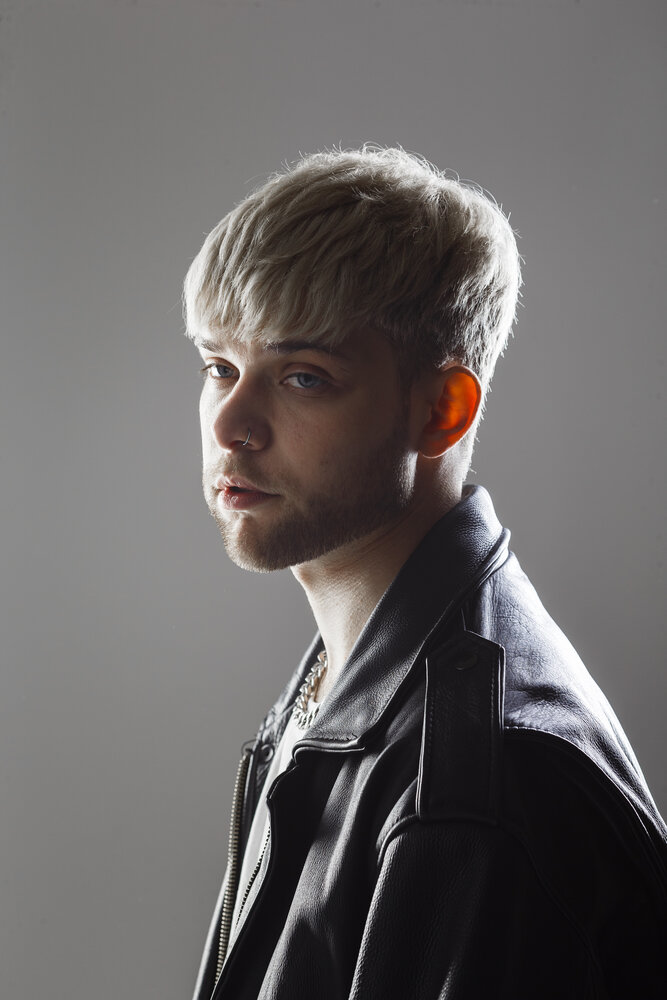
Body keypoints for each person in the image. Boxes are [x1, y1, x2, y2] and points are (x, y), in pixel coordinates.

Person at [183, 147, 667, 1000]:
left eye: (303, 377)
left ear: (442, 410)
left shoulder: (481, 789)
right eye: (219, 366)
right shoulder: (351, 683)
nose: (230, 423)